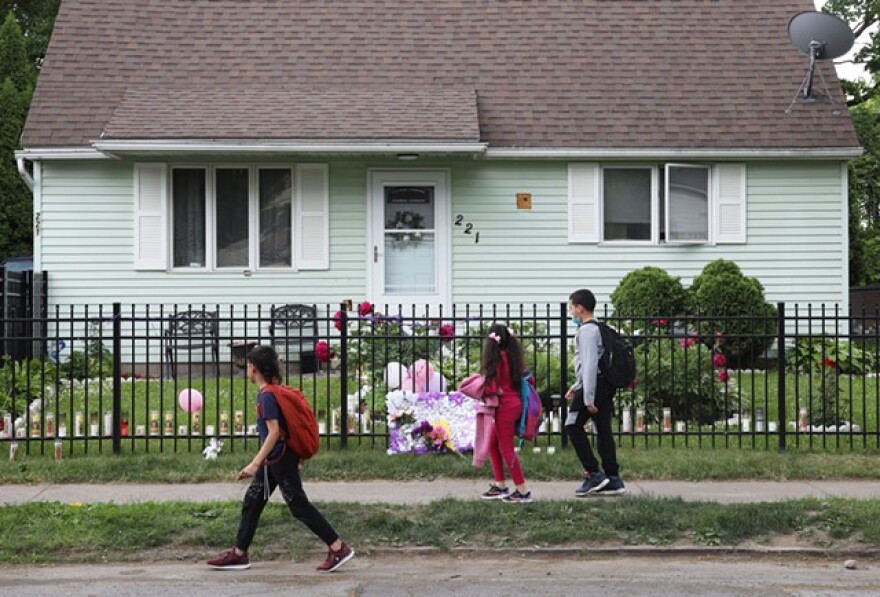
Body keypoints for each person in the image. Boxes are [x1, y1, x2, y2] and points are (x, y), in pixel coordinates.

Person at [207, 345, 354, 572]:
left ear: (254, 369)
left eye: (248, 365)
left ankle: (337, 547)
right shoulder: (273, 391)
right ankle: (239, 553)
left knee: (298, 506)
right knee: (253, 501)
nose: (246, 369)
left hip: (279, 461)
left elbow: (274, 432)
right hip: (275, 461)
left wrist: (254, 463)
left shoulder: (267, 395)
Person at [565, 289, 626, 496]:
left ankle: (594, 474)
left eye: (571, 307)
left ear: (580, 308)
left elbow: (590, 365)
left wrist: (588, 397)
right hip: (602, 385)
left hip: (593, 387)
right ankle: (613, 479)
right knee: (602, 429)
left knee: (572, 426)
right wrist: (575, 386)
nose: (570, 311)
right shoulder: (599, 329)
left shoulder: (587, 331)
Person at [479, 324, 533, 503]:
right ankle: (500, 485)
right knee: (493, 444)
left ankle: (522, 490)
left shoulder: (497, 360)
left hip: (504, 408)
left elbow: (492, 387)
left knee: (506, 449)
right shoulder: (512, 357)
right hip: (514, 404)